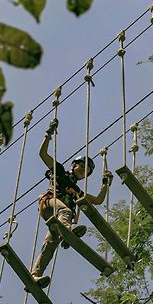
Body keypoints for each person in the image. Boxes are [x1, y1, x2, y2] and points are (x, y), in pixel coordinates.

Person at [31, 119, 113, 288]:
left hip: (59, 219)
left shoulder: (77, 191)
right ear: (74, 165)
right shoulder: (59, 171)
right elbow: (42, 154)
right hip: (49, 204)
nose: (84, 172)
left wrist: (105, 184)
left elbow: (97, 200)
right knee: (66, 211)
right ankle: (69, 233)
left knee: (50, 246)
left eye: (86, 172)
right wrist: (48, 134)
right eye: (82, 167)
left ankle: (35, 276)